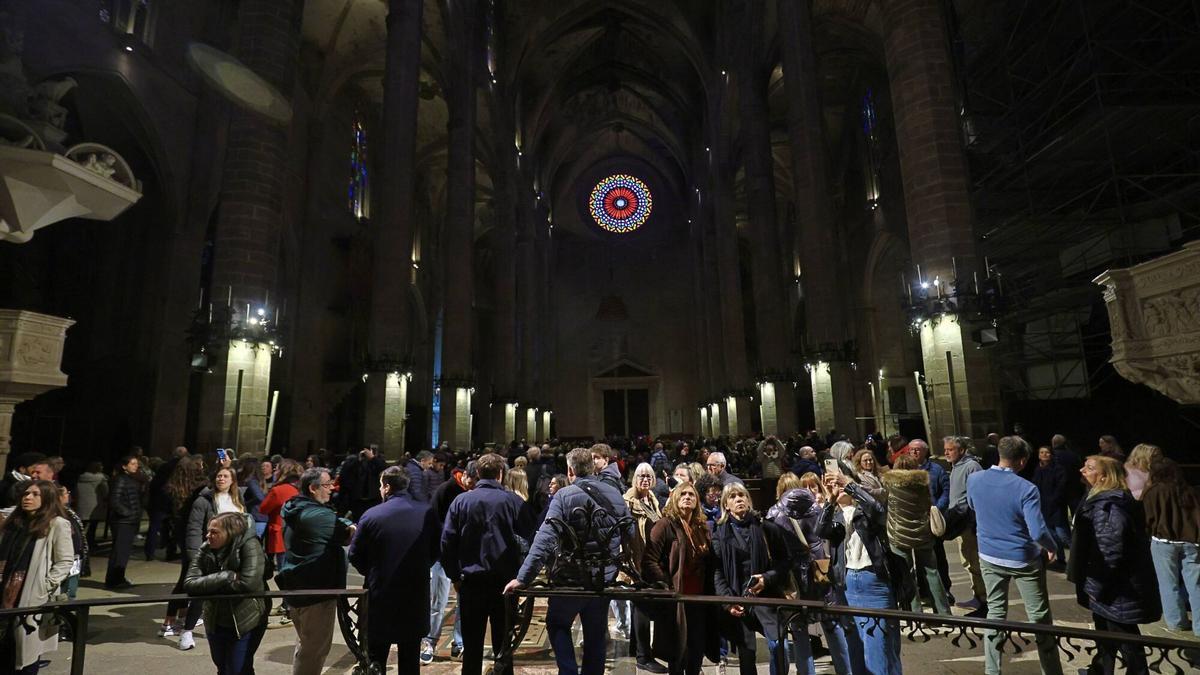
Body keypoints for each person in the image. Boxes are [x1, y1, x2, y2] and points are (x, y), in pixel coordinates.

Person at [504, 447, 632, 675]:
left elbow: (544, 539)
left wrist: (523, 578)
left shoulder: (563, 496)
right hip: (602, 577)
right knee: (596, 634)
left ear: (570, 470)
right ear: (592, 468)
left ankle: (569, 672)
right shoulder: (614, 494)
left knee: (557, 623)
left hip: (571, 579)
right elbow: (630, 534)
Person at [966, 436, 1062, 675]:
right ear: (1022, 460)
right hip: (1023, 558)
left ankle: (992, 670)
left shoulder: (974, 479)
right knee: (1039, 617)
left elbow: (973, 506)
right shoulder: (1026, 488)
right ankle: (1051, 671)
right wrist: (1052, 547)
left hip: (989, 554)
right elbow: (1038, 530)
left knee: (995, 613)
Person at [1070, 455, 1161, 674]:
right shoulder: (1099, 499)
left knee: (1125, 638)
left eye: (1089, 468)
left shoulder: (1108, 507)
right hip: (1113, 589)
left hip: (1117, 590)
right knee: (1107, 634)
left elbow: (1110, 552)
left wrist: (1095, 587)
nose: (1082, 470)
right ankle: (1100, 669)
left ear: (1103, 477)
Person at [442, 453, 530, 675]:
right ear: (501, 474)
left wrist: (454, 576)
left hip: (471, 582)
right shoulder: (513, 502)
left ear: (478, 473)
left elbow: (447, 542)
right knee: (503, 646)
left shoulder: (461, 501)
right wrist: (524, 575)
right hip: (505, 584)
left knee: (471, 646)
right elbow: (531, 539)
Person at [349, 466, 441, 673]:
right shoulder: (425, 512)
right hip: (414, 591)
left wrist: (373, 572)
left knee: (376, 657)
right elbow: (436, 549)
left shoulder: (372, 515)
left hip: (381, 592)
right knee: (409, 657)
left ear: (387, 487)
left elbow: (354, 554)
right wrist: (419, 567)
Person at [765, 485, 854, 675]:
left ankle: (806, 672)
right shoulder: (816, 511)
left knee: (799, 630)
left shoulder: (775, 515)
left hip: (795, 577)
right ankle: (845, 671)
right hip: (819, 572)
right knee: (831, 624)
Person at [817, 473, 899, 675]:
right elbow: (820, 530)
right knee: (854, 644)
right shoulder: (835, 516)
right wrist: (830, 500)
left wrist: (851, 486)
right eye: (834, 483)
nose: (838, 486)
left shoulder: (866, 510)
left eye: (840, 482)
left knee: (877, 646)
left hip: (872, 579)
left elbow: (879, 510)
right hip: (846, 583)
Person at [276, 467, 355, 675]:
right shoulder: (315, 515)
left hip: (299, 586)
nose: (332, 489)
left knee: (306, 645)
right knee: (314, 650)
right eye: (327, 484)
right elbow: (347, 533)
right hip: (315, 591)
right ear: (312, 488)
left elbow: (338, 523)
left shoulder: (298, 507)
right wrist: (349, 526)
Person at [711, 481, 790, 675]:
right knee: (747, 656)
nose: (739, 499)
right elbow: (717, 572)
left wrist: (767, 578)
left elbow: (786, 561)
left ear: (748, 500)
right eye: (733, 496)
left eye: (742, 495)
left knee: (779, 646)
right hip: (738, 600)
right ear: (725, 505)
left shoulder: (766, 528)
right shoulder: (719, 534)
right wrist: (728, 601)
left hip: (766, 598)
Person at [642, 482, 721, 675]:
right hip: (677, 601)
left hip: (700, 599)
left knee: (696, 652)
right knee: (677, 654)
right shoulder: (665, 525)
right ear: (675, 499)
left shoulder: (701, 527)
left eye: (691, 495)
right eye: (683, 494)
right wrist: (668, 586)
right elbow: (648, 560)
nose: (687, 497)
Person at [0, 481, 74, 673]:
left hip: (30, 591)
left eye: (35, 494)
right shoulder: (14, 523)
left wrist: (45, 585)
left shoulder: (57, 524)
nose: (28, 498)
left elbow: (65, 561)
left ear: (47, 498)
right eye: (25, 494)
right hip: (5, 587)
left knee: (25, 650)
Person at [183, 512, 268, 675]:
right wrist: (226, 576)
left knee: (238, 669)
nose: (208, 535)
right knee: (222, 667)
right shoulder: (206, 547)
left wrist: (208, 584)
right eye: (208, 531)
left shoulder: (250, 545)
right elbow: (190, 583)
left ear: (231, 533)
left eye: (214, 532)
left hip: (244, 620)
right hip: (215, 618)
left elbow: (248, 583)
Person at [881, 454, 950, 614]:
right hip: (922, 533)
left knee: (907, 573)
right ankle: (943, 612)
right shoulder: (922, 483)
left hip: (899, 534)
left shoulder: (890, 483)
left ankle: (915, 613)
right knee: (932, 572)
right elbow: (928, 504)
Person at [424, 461, 478, 662]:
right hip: (443, 553)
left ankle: (459, 642)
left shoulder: (475, 492)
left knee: (464, 601)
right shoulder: (445, 490)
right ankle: (430, 640)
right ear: (464, 476)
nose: (474, 486)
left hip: (466, 555)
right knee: (439, 599)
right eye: (472, 482)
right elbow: (433, 521)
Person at [1141, 456, 1200, 638]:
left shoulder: (1152, 492)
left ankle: (1176, 622)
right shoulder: (1188, 490)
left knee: (1168, 584)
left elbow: (1148, 519)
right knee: (1196, 584)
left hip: (1163, 542)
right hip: (1191, 542)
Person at [160, 456, 208, 645]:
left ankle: (179, 615)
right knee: (186, 579)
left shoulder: (175, 488)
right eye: (201, 466)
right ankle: (169, 621)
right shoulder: (196, 491)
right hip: (191, 535)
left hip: (181, 533)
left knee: (185, 576)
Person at [624, 463, 666, 672]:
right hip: (638, 562)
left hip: (651, 561)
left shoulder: (652, 499)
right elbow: (626, 536)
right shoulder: (628, 501)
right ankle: (643, 656)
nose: (645, 480)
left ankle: (635, 648)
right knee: (641, 607)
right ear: (634, 478)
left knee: (640, 606)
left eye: (649, 476)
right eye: (641, 476)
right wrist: (629, 566)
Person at [943, 436, 987, 613]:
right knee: (967, 561)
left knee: (974, 561)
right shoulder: (955, 466)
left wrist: (975, 521)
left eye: (950, 449)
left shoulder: (971, 466)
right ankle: (978, 595)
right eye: (945, 449)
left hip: (969, 522)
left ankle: (984, 600)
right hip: (959, 522)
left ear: (961, 450)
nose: (946, 452)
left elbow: (979, 495)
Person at [105, 454, 143, 589]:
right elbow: (114, 500)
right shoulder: (120, 480)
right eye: (132, 464)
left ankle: (118, 577)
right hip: (123, 522)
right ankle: (114, 580)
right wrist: (128, 513)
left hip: (129, 521)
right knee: (119, 552)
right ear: (124, 466)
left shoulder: (131, 479)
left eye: (136, 463)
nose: (136, 466)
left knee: (123, 552)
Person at [145, 446, 188, 562]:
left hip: (160, 500)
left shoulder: (164, 466)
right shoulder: (185, 468)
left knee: (155, 528)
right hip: (176, 501)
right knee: (176, 529)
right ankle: (171, 552)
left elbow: (154, 484)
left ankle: (149, 553)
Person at [1032, 446, 1071, 568]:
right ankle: (1061, 559)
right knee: (1052, 535)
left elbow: (1061, 487)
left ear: (1051, 454)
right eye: (1041, 452)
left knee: (1063, 535)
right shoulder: (1038, 469)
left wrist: (1053, 501)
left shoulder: (1058, 469)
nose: (1044, 454)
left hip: (1056, 507)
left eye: (1047, 452)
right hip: (1043, 507)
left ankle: (1078, 559)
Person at [74, 460, 107, 566]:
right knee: (93, 526)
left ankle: (78, 543)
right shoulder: (101, 479)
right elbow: (105, 492)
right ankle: (90, 542)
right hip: (94, 505)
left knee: (81, 526)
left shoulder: (81, 478)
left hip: (82, 505)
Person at [239, 457, 269, 539]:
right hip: (262, 517)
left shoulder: (251, 481)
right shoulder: (260, 480)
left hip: (256, 517)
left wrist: (245, 504)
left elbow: (260, 497)